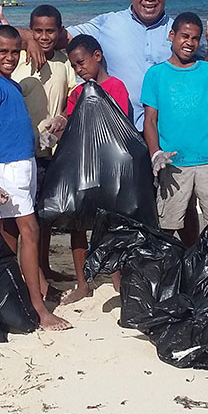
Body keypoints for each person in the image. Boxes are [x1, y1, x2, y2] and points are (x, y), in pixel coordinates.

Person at [63, 0, 208, 246]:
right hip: (120, 134)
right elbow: (58, 36)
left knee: (179, 204)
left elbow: (205, 77)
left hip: (167, 136)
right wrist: (18, 38)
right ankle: (132, 264)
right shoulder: (108, 24)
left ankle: (189, 259)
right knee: (125, 204)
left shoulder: (179, 32)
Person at [0, 25, 71, 330]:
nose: (9, 57)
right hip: (9, 169)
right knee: (30, 232)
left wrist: (38, 141)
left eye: (14, 52)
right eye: (2, 51)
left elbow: (15, 129)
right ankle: (39, 310)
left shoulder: (12, 86)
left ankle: (10, 297)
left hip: (26, 163)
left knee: (9, 235)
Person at [142, 12, 208, 240]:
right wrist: (155, 154)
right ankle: (176, 272)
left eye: (195, 38)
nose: (190, 43)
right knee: (167, 224)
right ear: (171, 36)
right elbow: (150, 120)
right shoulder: (155, 75)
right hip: (174, 163)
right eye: (185, 36)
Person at [60, 34, 131, 304]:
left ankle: (117, 279)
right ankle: (82, 283)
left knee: (112, 225)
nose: (79, 70)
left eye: (82, 63)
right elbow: (69, 124)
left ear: (97, 56)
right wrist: (58, 127)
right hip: (80, 168)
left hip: (109, 169)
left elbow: (120, 126)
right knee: (78, 225)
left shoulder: (116, 87)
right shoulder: (76, 93)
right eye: (74, 66)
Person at [11, 4, 76, 283]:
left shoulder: (65, 61)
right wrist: (25, 39)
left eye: (50, 31)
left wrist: (62, 117)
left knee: (46, 213)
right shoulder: (19, 59)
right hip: (22, 150)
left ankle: (44, 266)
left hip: (54, 150)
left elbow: (74, 96)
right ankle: (26, 272)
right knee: (25, 215)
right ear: (30, 30)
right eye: (37, 31)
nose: (44, 36)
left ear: (60, 32)